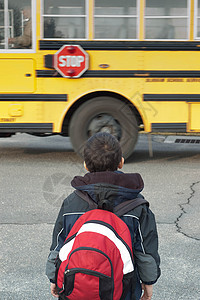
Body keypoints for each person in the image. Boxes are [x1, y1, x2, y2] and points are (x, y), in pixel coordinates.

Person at [46, 132, 161, 300]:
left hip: (75, 285)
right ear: (121, 162)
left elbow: (59, 243)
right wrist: (148, 282)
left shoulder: (72, 202)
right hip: (122, 287)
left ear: (85, 165)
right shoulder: (137, 204)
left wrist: (54, 277)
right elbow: (144, 250)